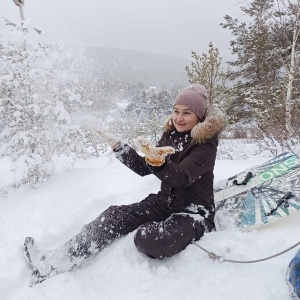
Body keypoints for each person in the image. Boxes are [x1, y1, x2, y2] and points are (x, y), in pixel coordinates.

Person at [24, 84, 225, 285]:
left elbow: (180, 177)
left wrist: (159, 162)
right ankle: (52, 263)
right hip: (165, 203)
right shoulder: (170, 136)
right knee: (112, 217)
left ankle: (190, 230)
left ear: (199, 116)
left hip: (194, 213)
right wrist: (119, 148)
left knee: (149, 239)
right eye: (176, 111)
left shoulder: (206, 145)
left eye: (187, 113)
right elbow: (144, 168)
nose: (179, 118)